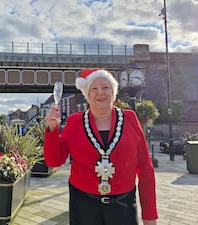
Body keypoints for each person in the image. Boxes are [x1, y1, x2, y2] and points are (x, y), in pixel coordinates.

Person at [44, 68, 158, 225]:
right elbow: (54, 161)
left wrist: (150, 216)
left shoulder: (130, 118)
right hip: (84, 207)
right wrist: (52, 129)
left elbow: (145, 168)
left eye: (105, 87)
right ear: (87, 94)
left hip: (123, 207)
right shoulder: (74, 122)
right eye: (94, 89)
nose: (100, 93)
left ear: (113, 92)